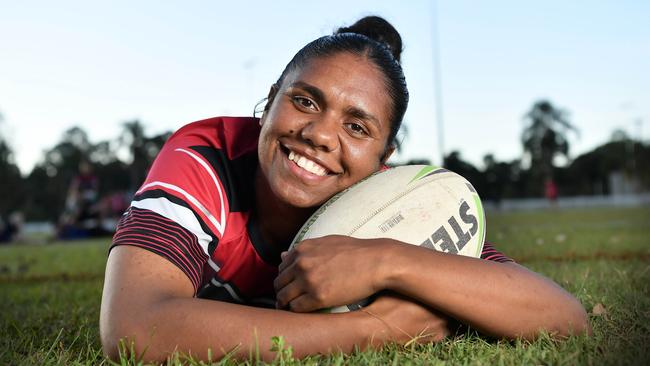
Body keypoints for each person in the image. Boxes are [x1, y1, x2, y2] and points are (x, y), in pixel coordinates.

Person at [100, 16, 589, 362]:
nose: (320, 135)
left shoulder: (393, 203)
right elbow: (135, 330)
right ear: (269, 101)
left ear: (384, 160)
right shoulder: (207, 157)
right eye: (305, 101)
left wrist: (385, 260)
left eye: (357, 128)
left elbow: (563, 318)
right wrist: (370, 330)